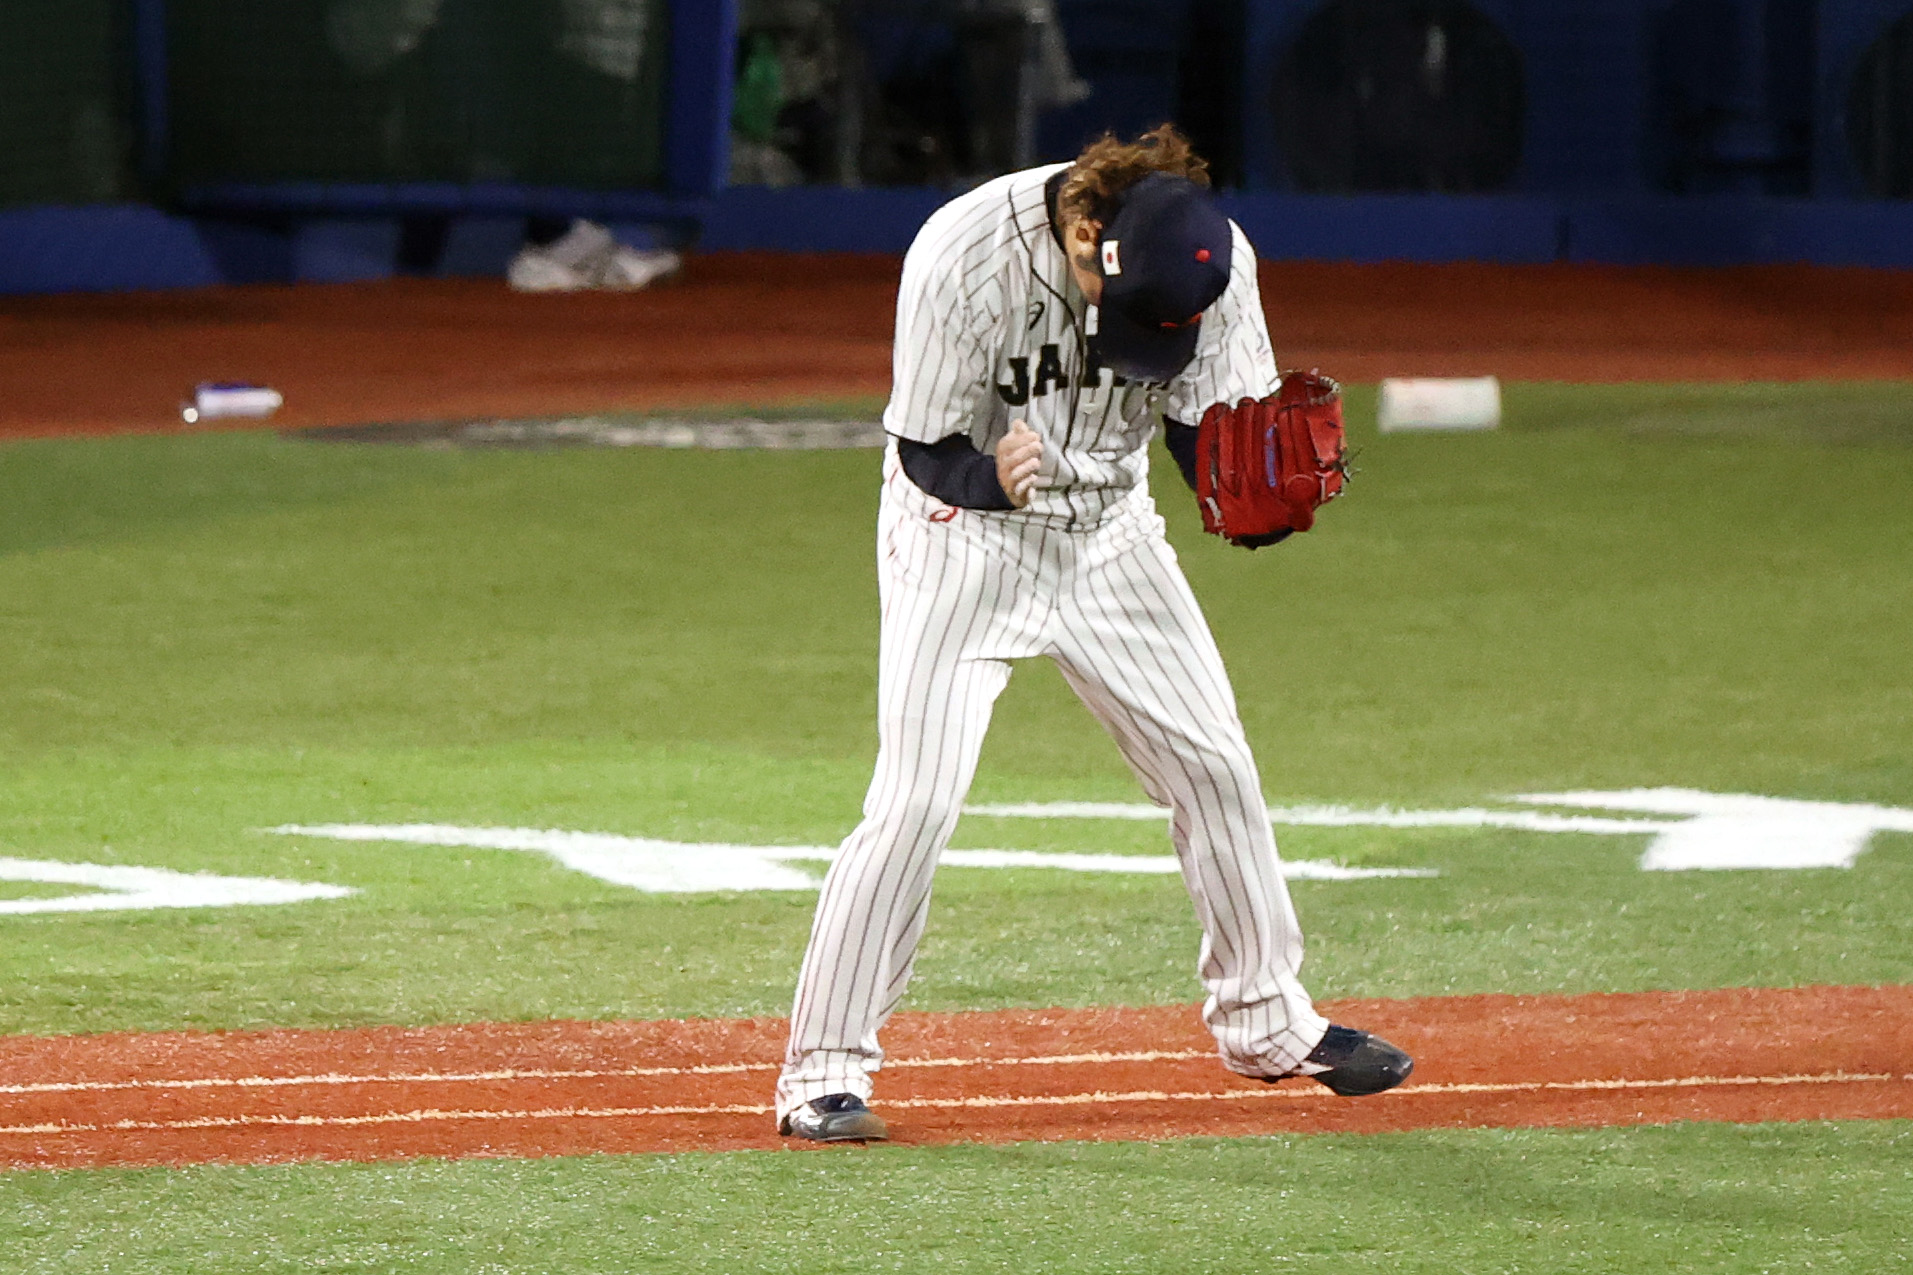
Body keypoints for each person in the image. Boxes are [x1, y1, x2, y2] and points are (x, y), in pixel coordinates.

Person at [776, 124, 1413, 1143]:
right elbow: (926, 447)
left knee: (1214, 767)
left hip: (1112, 538)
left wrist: (1241, 496)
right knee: (915, 803)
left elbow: (1200, 420)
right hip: (958, 540)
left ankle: (1265, 1022)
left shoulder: (1211, 263)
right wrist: (992, 479)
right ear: (1084, 229)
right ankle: (821, 1071)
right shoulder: (960, 253)